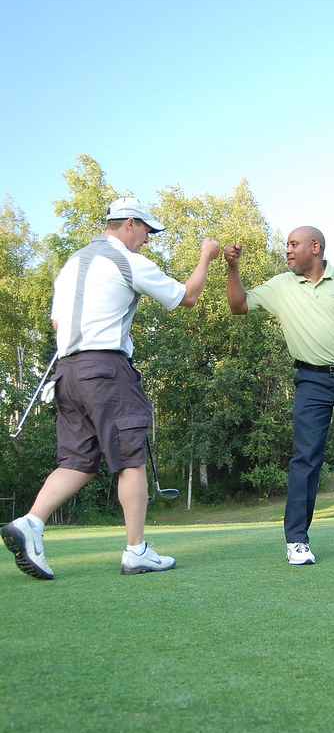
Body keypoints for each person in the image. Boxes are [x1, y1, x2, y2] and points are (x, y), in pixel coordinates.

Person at [2, 196, 221, 580]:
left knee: (76, 462)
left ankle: (30, 523)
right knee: (130, 459)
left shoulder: (71, 264)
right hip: (106, 372)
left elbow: (58, 324)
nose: (148, 239)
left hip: (67, 372)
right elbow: (187, 296)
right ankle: (136, 551)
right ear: (130, 223)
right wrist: (206, 256)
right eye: (147, 231)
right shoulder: (126, 260)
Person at [223, 226, 334, 565]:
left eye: (293, 244)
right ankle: (296, 540)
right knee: (306, 458)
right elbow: (239, 305)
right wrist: (232, 267)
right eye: (287, 245)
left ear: (315, 247)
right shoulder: (281, 285)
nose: (287, 250)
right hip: (311, 381)